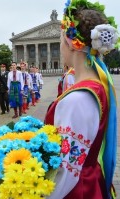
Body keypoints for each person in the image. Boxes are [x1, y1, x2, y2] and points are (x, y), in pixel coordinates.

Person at [45, 1, 118, 198]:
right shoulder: (99, 86)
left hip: (77, 191)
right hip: (92, 183)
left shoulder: (77, 99)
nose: (60, 47)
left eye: (61, 39)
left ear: (70, 42)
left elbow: (66, 171)